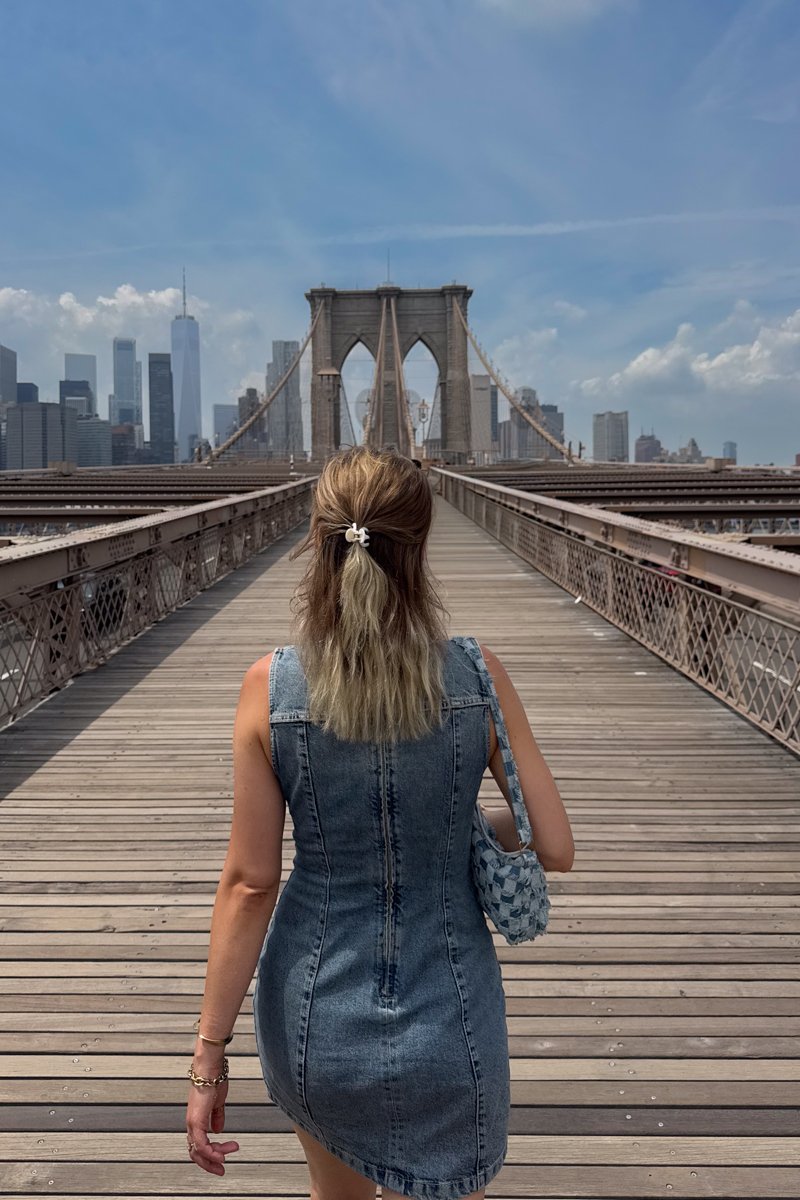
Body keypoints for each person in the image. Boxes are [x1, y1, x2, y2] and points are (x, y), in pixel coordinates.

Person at [185, 445, 574, 1199]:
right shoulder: (478, 677)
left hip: (315, 1014)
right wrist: (453, 826)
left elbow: (249, 885)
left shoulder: (269, 688)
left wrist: (208, 1056)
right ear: (422, 546)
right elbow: (551, 844)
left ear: (319, 542)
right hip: (450, 1015)